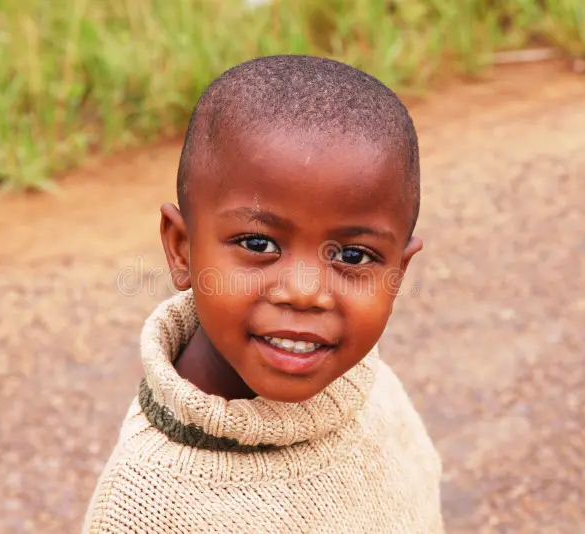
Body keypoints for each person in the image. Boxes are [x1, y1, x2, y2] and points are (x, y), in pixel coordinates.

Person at [82, 54, 444, 533]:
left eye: (353, 256)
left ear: (397, 272)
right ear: (182, 249)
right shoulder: (143, 509)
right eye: (258, 245)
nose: (305, 293)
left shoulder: (371, 389)